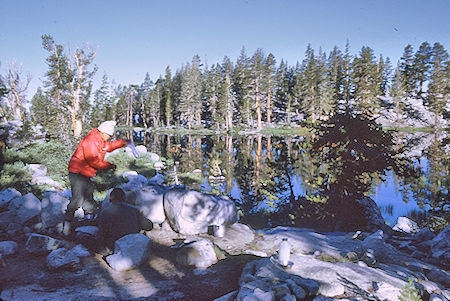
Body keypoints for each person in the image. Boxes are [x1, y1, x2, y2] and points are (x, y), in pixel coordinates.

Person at [63, 120, 129, 236]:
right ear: (103, 132)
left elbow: (109, 146)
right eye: (109, 135)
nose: (109, 138)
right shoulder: (91, 140)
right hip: (77, 171)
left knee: (88, 196)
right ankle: (66, 225)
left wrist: (122, 142)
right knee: (77, 198)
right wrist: (109, 166)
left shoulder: (100, 140)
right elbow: (93, 161)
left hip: (86, 173)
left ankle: (88, 221)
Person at [95, 188, 153, 255]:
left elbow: (101, 236)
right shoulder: (135, 210)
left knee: (84, 237)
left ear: (110, 199)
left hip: (113, 248)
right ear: (124, 198)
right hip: (132, 245)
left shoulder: (105, 212)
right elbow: (149, 227)